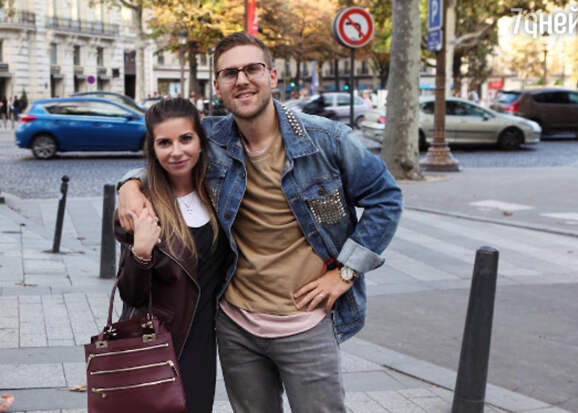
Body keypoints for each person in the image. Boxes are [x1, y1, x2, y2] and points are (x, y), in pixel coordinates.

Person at [117, 32, 402, 413]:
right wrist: (130, 185)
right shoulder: (213, 139)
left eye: (252, 69)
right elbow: (169, 155)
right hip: (237, 327)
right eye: (230, 73)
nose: (242, 80)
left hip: (306, 323)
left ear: (272, 75)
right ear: (217, 84)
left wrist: (346, 272)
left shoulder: (325, 139)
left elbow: (386, 197)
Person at [115, 98, 228, 413]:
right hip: (156, 341)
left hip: (202, 340)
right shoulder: (141, 205)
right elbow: (131, 294)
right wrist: (141, 253)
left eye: (186, 139)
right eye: (164, 143)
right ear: (153, 149)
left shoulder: (219, 193)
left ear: (201, 142)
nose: (176, 151)